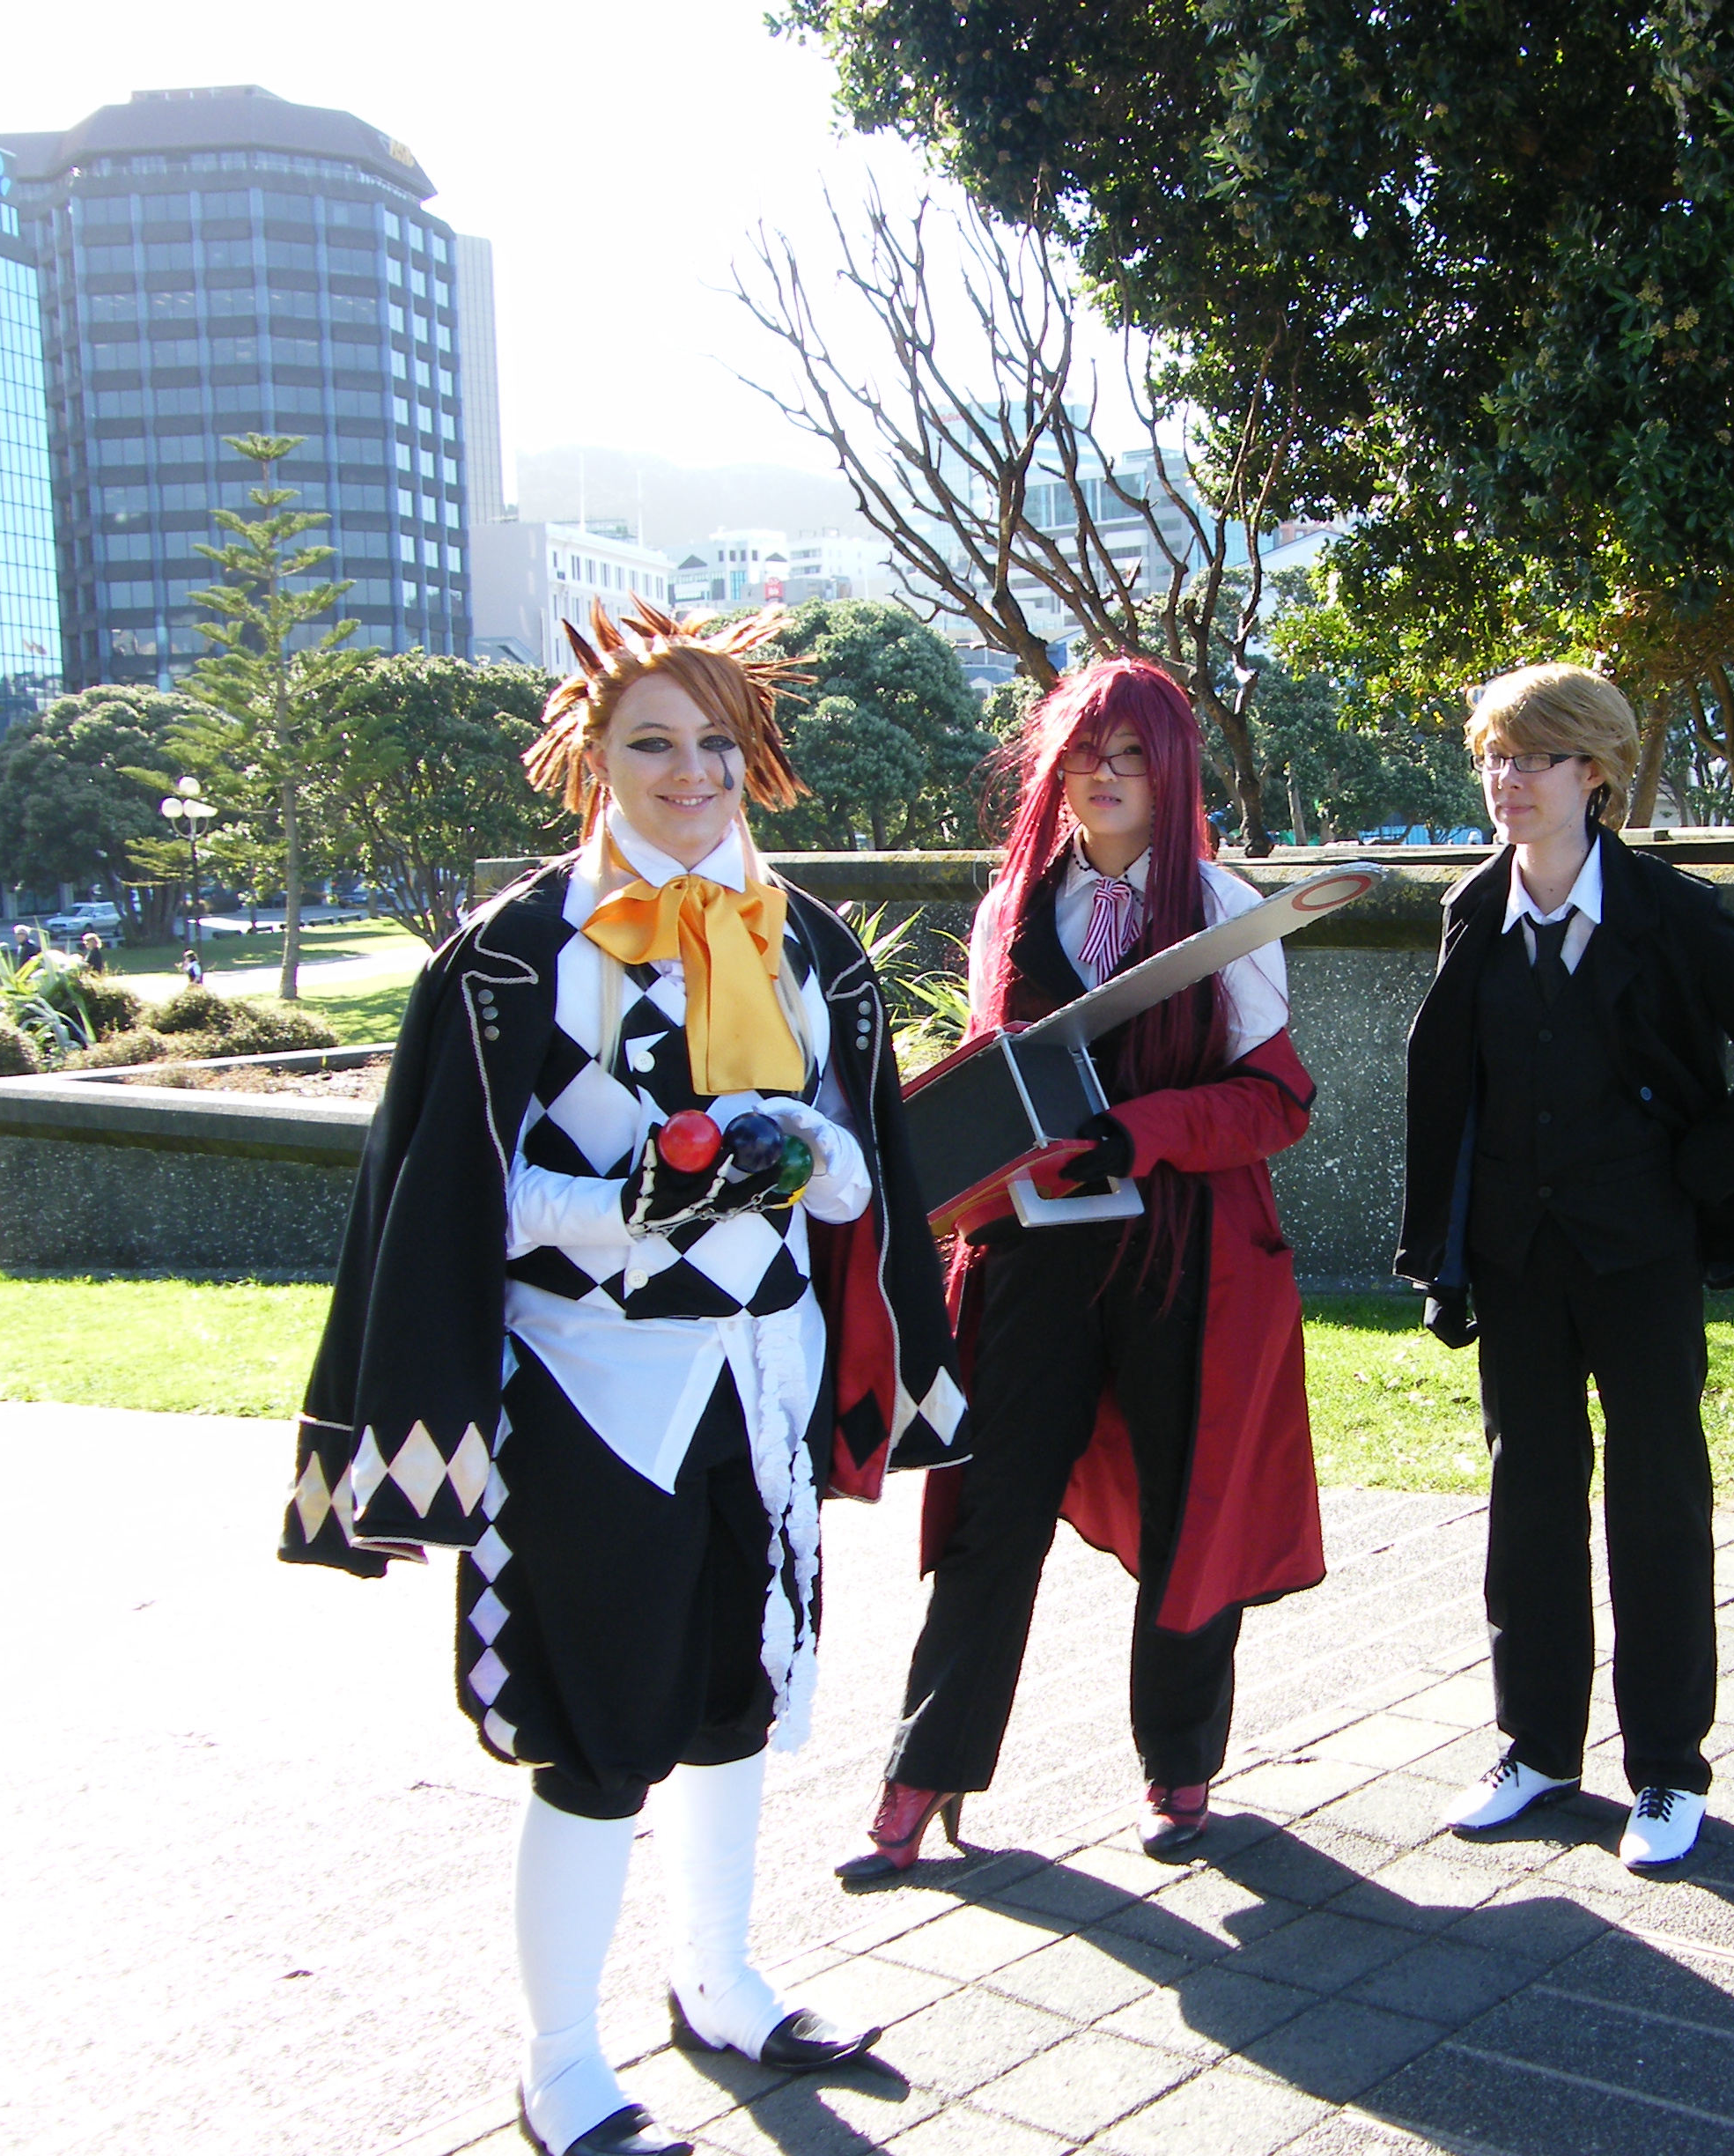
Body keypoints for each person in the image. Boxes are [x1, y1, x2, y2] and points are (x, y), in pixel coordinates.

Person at [279, 598, 966, 2156]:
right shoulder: (516, 958)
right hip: (591, 1394)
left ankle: (718, 1979)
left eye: (717, 740)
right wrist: (644, 1200)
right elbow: (466, 1195)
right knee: (597, 1736)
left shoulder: (809, 944)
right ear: (592, 756)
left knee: (737, 1692)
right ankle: (560, 2063)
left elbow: (866, 1172)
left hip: (761, 1381)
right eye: (654, 741)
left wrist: (819, 1158)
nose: (691, 771)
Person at [840, 655, 1321, 1877]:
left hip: (1188, 1262)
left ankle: (1181, 1766)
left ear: (1172, 773)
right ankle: (922, 1774)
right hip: (1031, 1263)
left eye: (1130, 757)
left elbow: (1275, 1103)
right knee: (990, 1512)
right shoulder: (1013, 906)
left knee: (1186, 1513)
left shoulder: (1225, 911)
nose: (1103, 777)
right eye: (1082, 756)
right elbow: (993, 1073)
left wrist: (1141, 1130)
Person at [1398, 664, 1734, 1872]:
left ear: (1594, 771)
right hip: (1516, 1259)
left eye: (1534, 758)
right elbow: (1453, 1090)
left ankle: (1667, 1772)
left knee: (1656, 1505)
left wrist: (1693, 1173)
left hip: (1642, 1258)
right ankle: (1537, 1747)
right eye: (1495, 757)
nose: (1508, 780)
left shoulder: (1670, 912)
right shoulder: (1473, 910)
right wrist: (1443, 1252)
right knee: (1529, 1503)